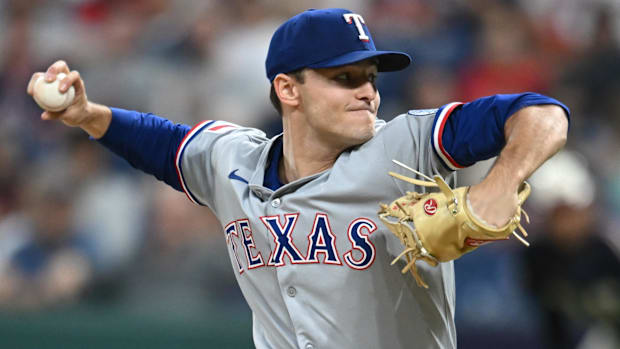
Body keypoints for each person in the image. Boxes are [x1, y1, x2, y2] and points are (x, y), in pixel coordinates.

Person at [27, 8, 569, 349]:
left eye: (371, 78)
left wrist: (501, 182)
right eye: (345, 77)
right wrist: (87, 115)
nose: (368, 92)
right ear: (288, 90)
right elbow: (162, 144)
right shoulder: (230, 159)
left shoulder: (406, 145)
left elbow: (543, 114)